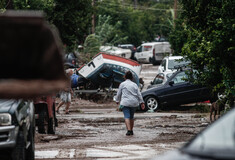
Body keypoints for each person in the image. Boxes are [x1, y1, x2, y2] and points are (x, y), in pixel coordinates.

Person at [114, 71, 145, 136]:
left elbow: (118, 94)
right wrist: (142, 102)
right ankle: (131, 130)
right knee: (131, 117)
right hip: (134, 103)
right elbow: (139, 94)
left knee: (126, 116)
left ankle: (129, 130)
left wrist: (117, 100)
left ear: (125, 77)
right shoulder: (135, 85)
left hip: (125, 103)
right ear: (132, 77)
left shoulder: (122, 84)